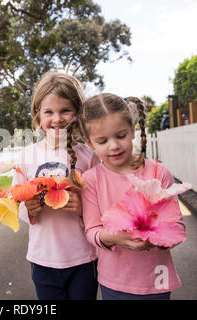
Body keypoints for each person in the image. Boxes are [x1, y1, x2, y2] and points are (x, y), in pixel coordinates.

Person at [78, 93, 186, 300]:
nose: (114, 146)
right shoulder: (91, 180)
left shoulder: (158, 173)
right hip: (114, 281)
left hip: (157, 280)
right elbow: (92, 231)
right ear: (89, 142)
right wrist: (117, 238)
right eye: (102, 141)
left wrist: (155, 239)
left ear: (133, 130)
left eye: (120, 136)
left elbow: (177, 228)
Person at [13, 71, 100, 300]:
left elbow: (102, 208)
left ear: (77, 114)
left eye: (65, 111)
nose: (57, 118)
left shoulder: (88, 156)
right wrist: (28, 209)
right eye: (48, 112)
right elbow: (16, 204)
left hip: (83, 257)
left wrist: (82, 208)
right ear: (37, 114)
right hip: (43, 258)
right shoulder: (26, 156)